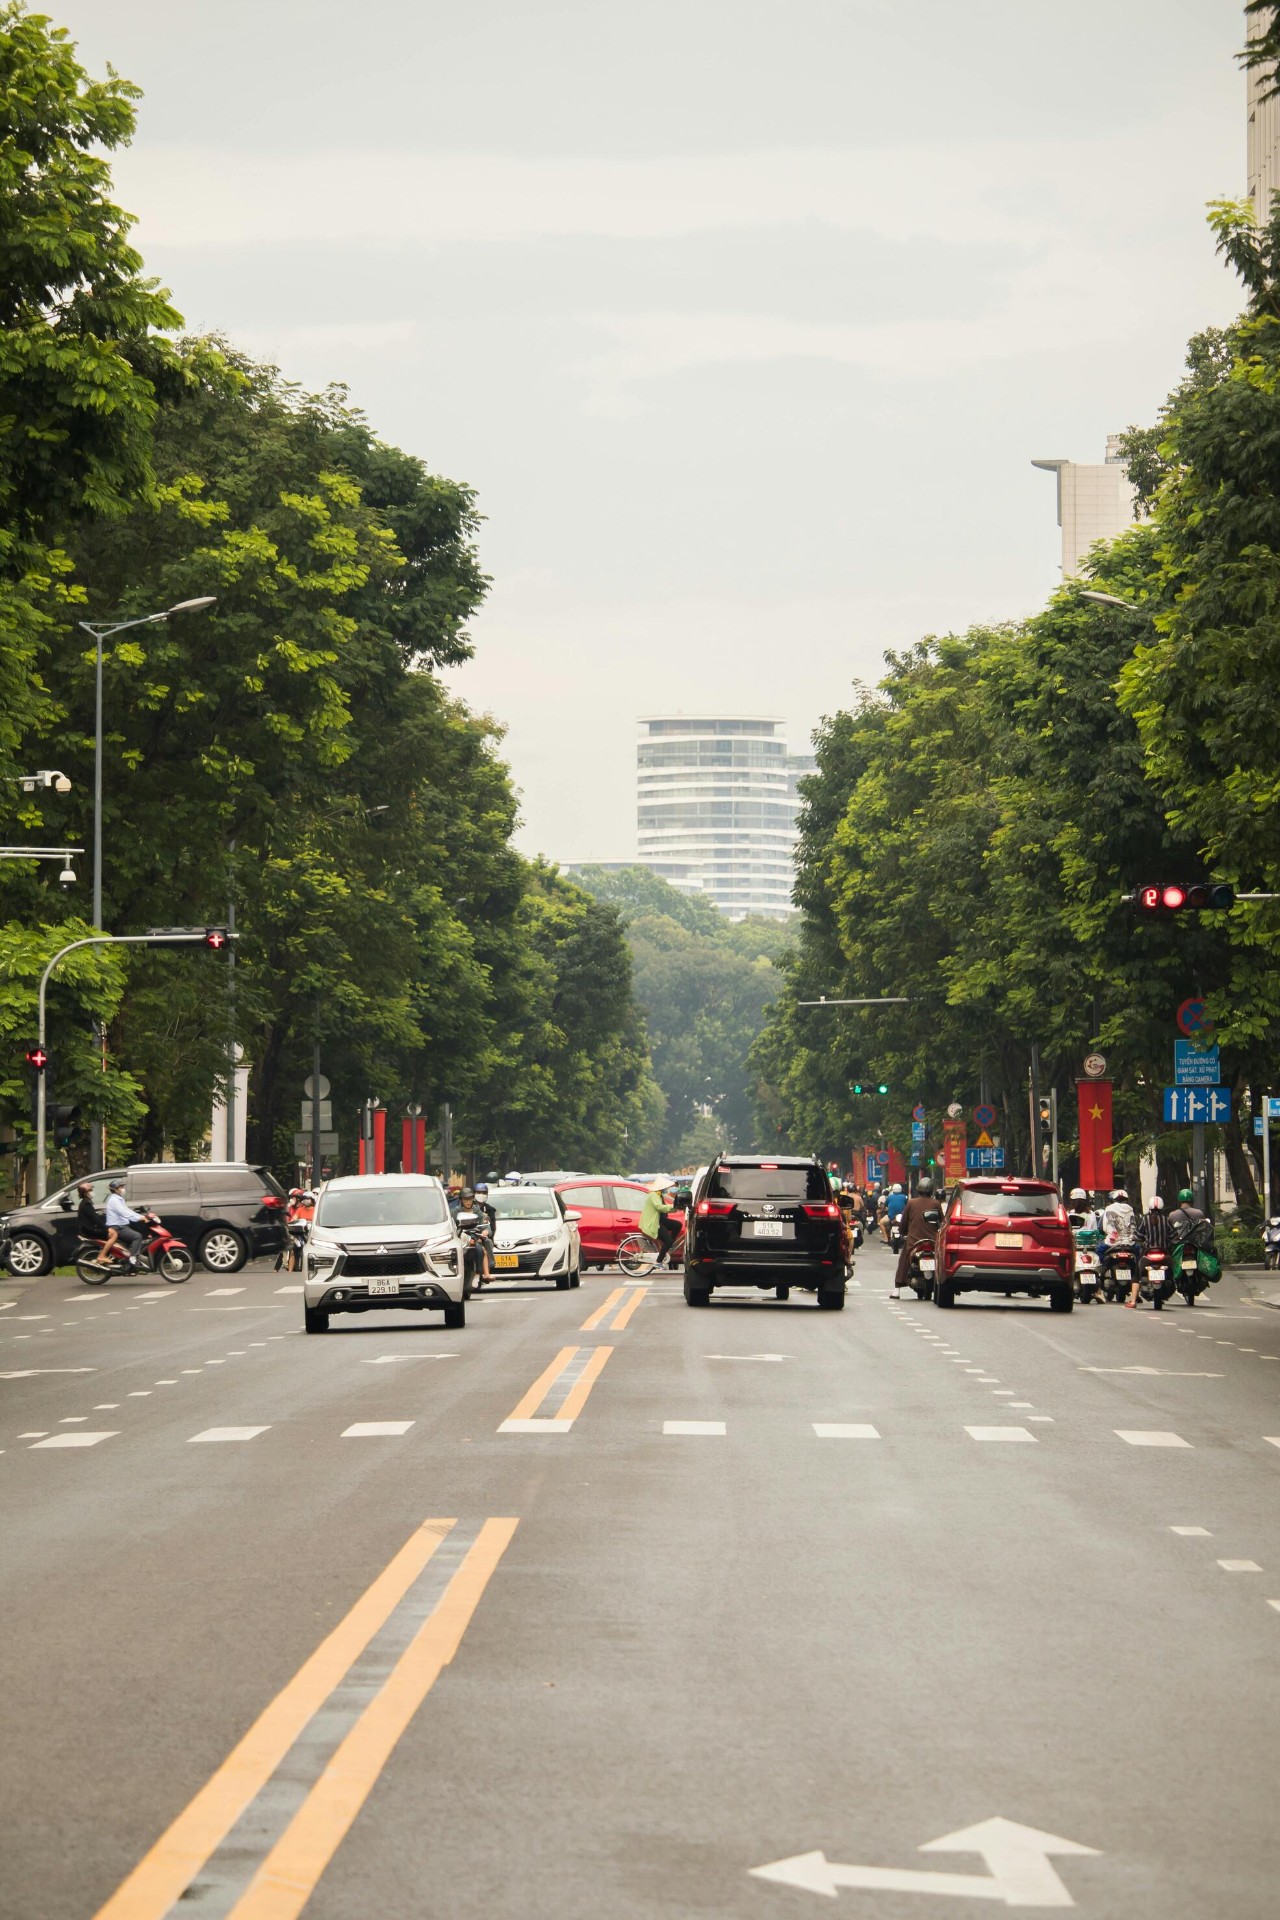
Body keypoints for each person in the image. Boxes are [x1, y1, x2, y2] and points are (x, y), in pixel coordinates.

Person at [893, 1177, 939, 1296]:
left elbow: (904, 1222)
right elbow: (941, 1222)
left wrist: (903, 1231)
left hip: (914, 1240)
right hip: (933, 1241)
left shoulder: (911, 1202)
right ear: (931, 1190)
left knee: (904, 1259)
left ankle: (897, 1288)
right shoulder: (936, 1203)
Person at [1130, 1194, 1170, 1307]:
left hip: (1147, 1251)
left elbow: (1137, 1235)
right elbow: (1173, 1235)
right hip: (1164, 1251)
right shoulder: (1166, 1220)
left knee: (1137, 1275)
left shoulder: (1145, 1220)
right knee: (1172, 1271)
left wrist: (1138, 1238)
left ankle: (1133, 1301)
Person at [104, 1180, 144, 1269]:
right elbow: (123, 1212)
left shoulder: (119, 1199)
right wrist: (138, 1218)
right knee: (137, 1236)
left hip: (121, 1226)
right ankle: (132, 1259)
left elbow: (128, 1210)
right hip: (118, 1227)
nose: (123, 1189)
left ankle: (127, 1259)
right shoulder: (114, 1200)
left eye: (123, 1187)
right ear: (115, 1189)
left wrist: (142, 1216)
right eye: (121, 1187)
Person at [640, 1179, 681, 1264]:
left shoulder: (659, 1195)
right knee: (668, 1241)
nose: (666, 1188)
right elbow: (659, 1207)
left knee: (678, 1225)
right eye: (664, 1187)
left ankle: (668, 1246)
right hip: (655, 1223)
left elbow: (665, 1209)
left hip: (661, 1220)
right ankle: (658, 1262)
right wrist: (672, 1206)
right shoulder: (653, 1194)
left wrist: (676, 1207)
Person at [76, 1180, 115, 1263]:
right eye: (90, 1190)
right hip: (90, 1230)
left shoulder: (86, 1202)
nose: (92, 1192)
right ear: (85, 1193)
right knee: (113, 1235)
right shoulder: (86, 1203)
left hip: (90, 1229)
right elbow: (95, 1219)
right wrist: (106, 1229)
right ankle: (102, 1256)